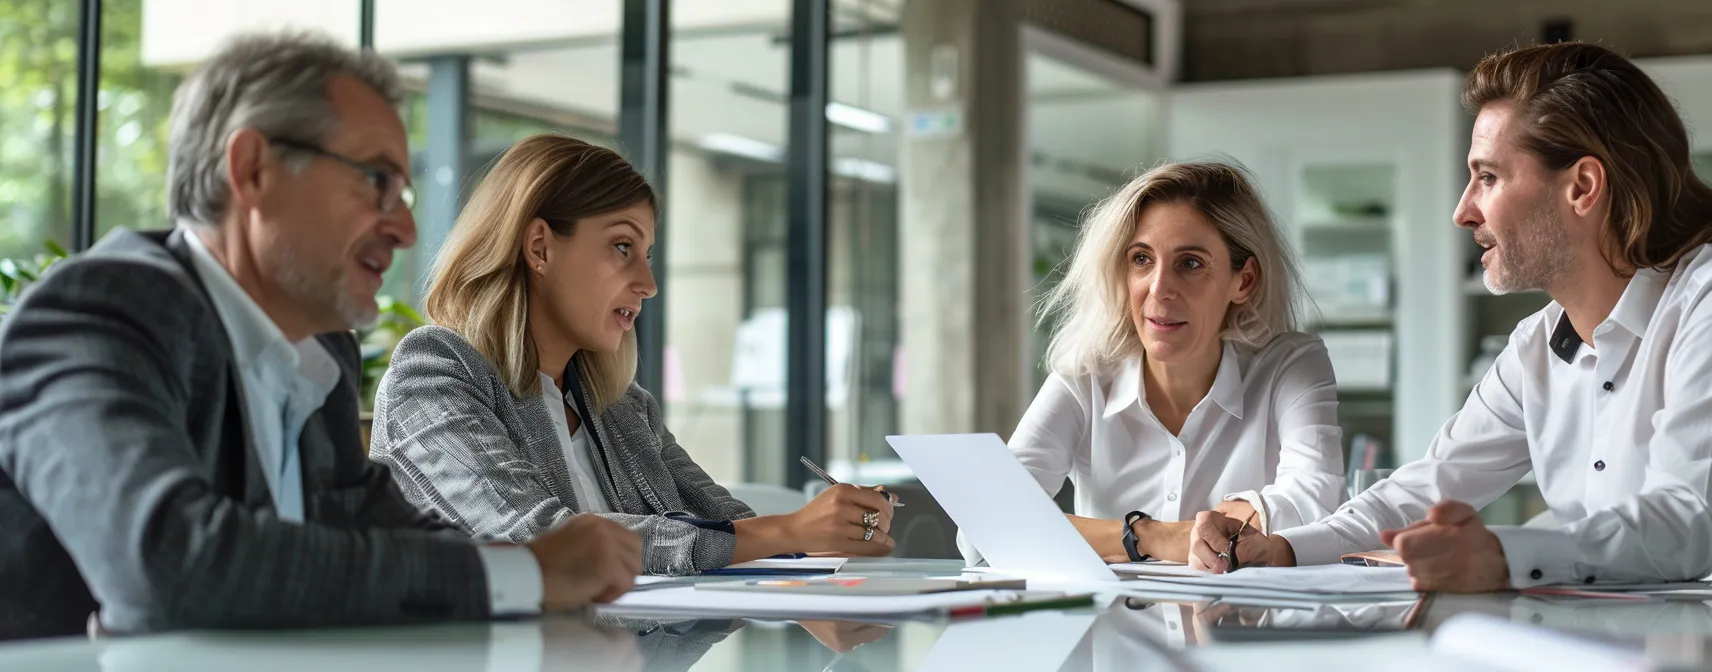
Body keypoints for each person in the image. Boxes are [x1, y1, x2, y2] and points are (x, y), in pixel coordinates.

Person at [0, 32, 642, 641]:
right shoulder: (96, 317)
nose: (406, 229)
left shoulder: (316, 348)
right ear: (253, 170)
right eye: (377, 181)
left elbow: (379, 530)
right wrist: (525, 574)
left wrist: (542, 564)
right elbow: (168, 563)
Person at [1210, 42, 1712, 591]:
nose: (1463, 211)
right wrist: (1283, 548)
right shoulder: (1536, 345)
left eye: (1487, 177)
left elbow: (1685, 522)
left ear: (1583, 186)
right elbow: (1422, 488)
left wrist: (1501, 555)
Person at [369, 133, 897, 576]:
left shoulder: (622, 406)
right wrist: (785, 531)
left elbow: (727, 524)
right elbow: (541, 541)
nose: (647, 284)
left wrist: (823, 534)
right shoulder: (433, 374)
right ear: (540, 248)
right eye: (623, 248)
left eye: (646, 256)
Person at [958, 161, 1346, 566]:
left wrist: (1170, 536)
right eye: (1141, 259)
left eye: (1190, 263)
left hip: (1242, 626)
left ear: (1243, 281)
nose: (1159, 289)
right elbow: (982, 532)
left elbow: (1316, 504)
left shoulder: (1290, 366)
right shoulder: (1084, 378)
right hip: (1113, 628)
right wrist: (1149, 536)